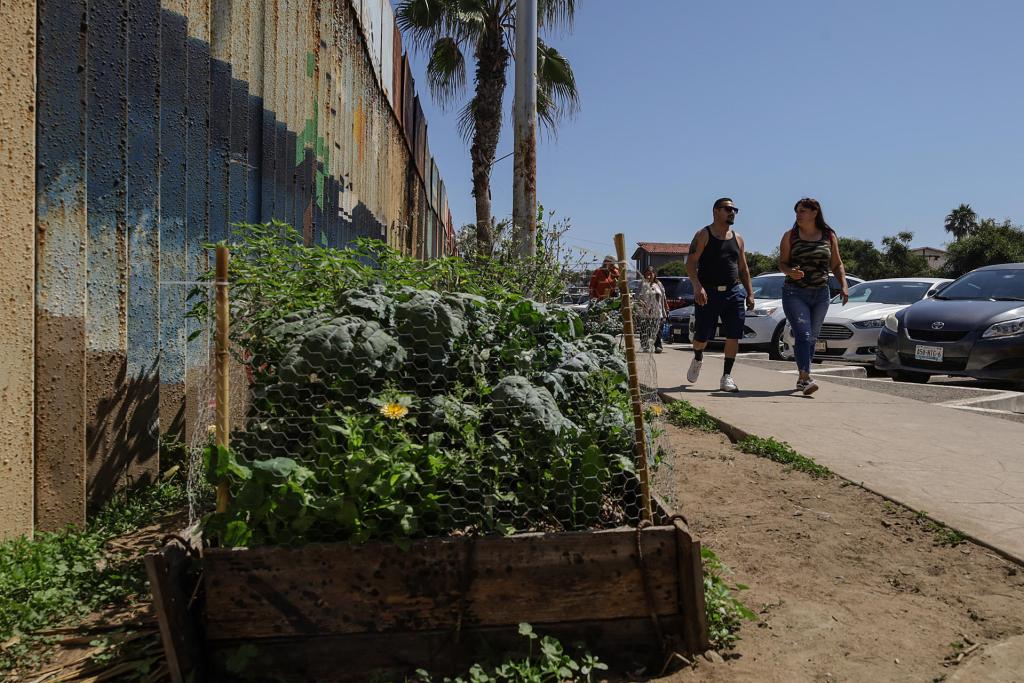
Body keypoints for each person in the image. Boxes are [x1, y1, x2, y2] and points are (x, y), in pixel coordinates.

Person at [778, 197, 849, 395]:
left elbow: (836, 264)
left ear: (814, 212)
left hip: (821, 293)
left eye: (802, 211)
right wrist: (790, 272)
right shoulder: (790, 236)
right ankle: (805, 376)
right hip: (795, 293)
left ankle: (803, 377)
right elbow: (782, 263)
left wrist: (843, 285)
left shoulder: (828, 235)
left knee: (812, 338)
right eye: (797, 212)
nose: (798, 215)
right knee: (803, 334)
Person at [685, 198, 756, 392]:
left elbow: (743, 268)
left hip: (733, 292)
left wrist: (749, 293)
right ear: (716, 211)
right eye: (728, 209)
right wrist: (697, 286)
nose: (732, 212)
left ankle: (726, 376)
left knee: (733, 334)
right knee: (701, 337)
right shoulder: (703, 235)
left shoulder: (738, 238)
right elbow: (690, 264)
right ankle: (698, 357)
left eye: (734, 210)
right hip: (708, 292)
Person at [637, 266, 669, 353]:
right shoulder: (642, 284)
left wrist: (666, 307)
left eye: (651, 274)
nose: (649, 276)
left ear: (654, 274)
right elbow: (637, 296)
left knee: (658, 329)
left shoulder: (659, 284)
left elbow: (664, 297)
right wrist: (640, 304)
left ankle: (658, 346)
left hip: (657, 311)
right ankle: (645, 345)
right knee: (645, 329)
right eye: (647, 274)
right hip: (645, 311)